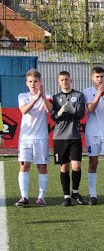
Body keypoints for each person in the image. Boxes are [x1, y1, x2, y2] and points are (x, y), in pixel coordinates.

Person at [14, 69, 53, 207]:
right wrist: (35, 98)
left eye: (35, 81)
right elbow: (24, 110)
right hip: (25, 138)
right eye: (30, 81)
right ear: (26, 83)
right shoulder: (22, 96)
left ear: (40, 82)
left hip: (41, 137)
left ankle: (41, 197)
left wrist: (41, 96)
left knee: (42, 166)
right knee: (24, 165)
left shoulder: (47, 96)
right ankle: (24, 196)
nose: (33, 84)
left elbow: (49, 110)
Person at [51, 70, 87, 206]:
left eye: (66, 79)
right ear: (58, 81)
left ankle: (75, 192)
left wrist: (73, 110)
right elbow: (53, 117)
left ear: (70, 80)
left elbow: (81, 115)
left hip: (75, 136)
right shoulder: (55, 98)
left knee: (76, 166)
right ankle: (66, 196)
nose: (64, 82)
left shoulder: (79, 95)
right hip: (59, 138)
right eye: (62, 80)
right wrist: (59, 113)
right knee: (64, 167)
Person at [83, 66, 104, 205]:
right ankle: (93, 195)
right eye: (97, 77)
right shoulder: (87, 92)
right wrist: (98, 95)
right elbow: (90, 109)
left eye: (101, 76)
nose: (99, 79)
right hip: (92, 133)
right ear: (92, 78)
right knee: (93, 163)